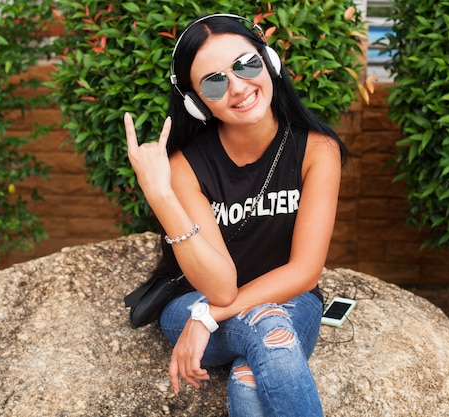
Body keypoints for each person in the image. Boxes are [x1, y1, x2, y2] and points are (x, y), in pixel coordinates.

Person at [124, 13, 346, 417]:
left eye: (246, 64)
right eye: (214, 81)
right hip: (192, 301)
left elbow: (304, 271)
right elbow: (222, 288)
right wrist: (161, 196)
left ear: (270, 61)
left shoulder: (317, 150)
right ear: (196, 101)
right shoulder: (186, 165)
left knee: (249, 378)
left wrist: (208, 318)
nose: (239, 87)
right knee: (268, 329)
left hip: (286, 299)